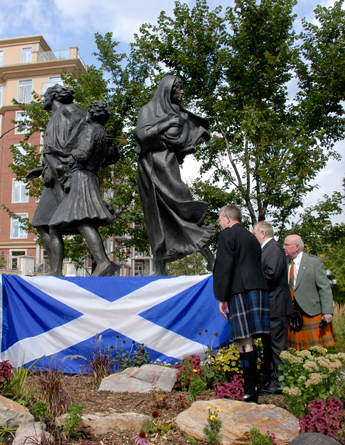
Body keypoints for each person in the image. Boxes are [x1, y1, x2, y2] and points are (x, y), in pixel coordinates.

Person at [135, 75, 215, 276]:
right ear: (166, 90)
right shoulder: (148, 110)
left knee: (182, 208)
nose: (181, 93)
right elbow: (142, 135)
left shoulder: (181, 114)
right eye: (177, 89)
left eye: (181, 89)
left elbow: (180, 142)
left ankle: (211, 259)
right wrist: (165, 124)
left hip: (167, 166)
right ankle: (160, 268)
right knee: (155, 217)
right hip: (149, 167)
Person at [49, 101, 117, 277]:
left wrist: (70, 153)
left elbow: (83, 153)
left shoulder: (91, 130)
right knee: (82, 222)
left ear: (91, 115)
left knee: (65, 224)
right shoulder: (103, 133)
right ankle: (103, 262)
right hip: (91, 177)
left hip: (81, 178)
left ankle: (102, 262)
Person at [27, 85, 87, 275]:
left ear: (52, 97)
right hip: (65, 172)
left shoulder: (61, 114)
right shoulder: (80, 113)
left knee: (46, 222)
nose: (42, 99)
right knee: (50, 224)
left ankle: (57, 270)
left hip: (60, 176)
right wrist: (41, 169)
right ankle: (55, 270)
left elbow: (56, 149)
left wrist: (59, 171)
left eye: (45, 95)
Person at [213, 205, 270, 403]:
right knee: (251, 342)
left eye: (220, 219)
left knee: (244, 342)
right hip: (258, 290)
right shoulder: (252, 237)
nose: (219, 223)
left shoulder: (227, 235)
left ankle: (249, 391)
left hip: (241, 291)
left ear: (228, 219)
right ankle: (253, 388)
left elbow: (224, 266)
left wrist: (222, 296)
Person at [253, 221, 293, 394]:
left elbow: (272, 274)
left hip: (277, 306)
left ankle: (280, 382)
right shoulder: (266, 250)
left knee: (277, 347)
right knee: (268, 346)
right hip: (269, 307)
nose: (254, 236)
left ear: (263, 233)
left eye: (254, 233)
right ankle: (271, 380)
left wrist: (252, 279)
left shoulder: (274, 248)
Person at [283, 234, 338, 350]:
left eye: (287, 245)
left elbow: (324, 288)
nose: (283, 247)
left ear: (297, 247)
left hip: (311, 313)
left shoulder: (313, 262)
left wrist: (328, 312)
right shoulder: (284, 263)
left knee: (315, 352)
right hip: (291, 315)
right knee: (294, 353)